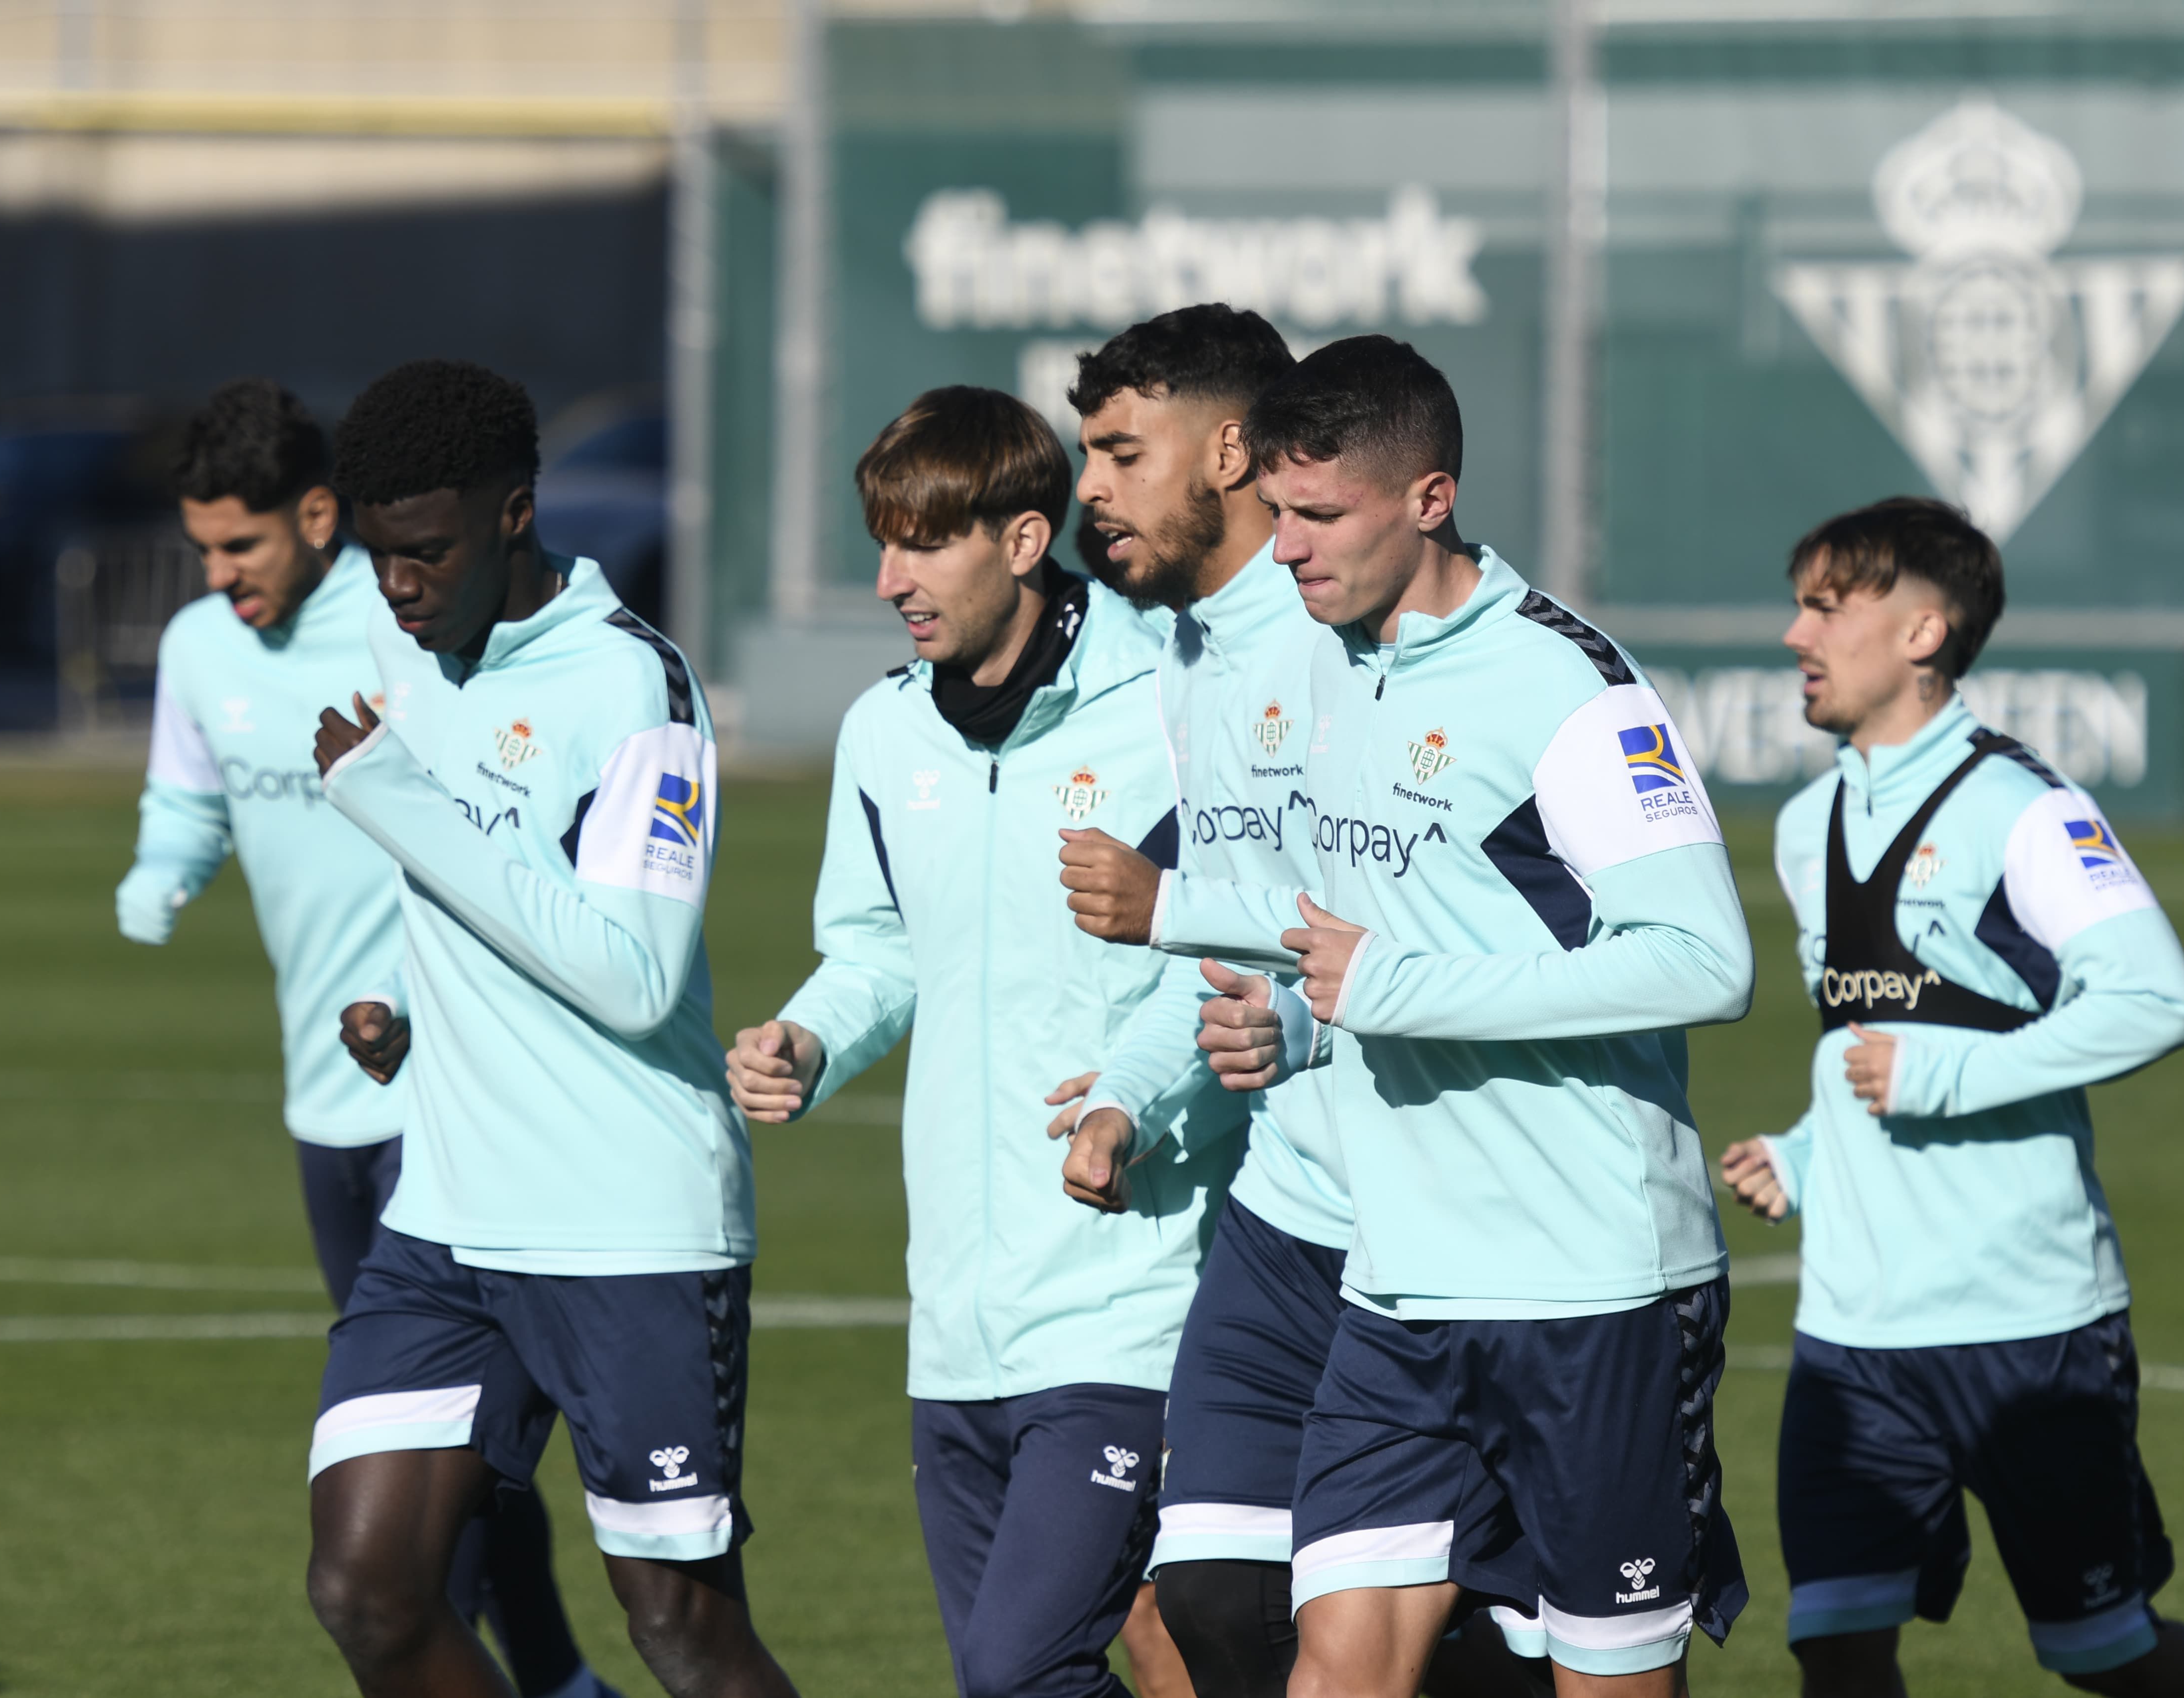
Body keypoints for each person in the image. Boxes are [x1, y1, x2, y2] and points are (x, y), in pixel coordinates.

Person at [1191, 336, 1755, 1697]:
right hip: (1397, 1289)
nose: (1285, 552)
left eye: (1320, 517)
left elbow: (1703, 960)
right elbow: (1397, 941)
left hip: (1594, 1287)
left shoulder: (1569, 685)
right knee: (1331, 1673)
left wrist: (1392, 989)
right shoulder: (1329, 661)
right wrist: (1306, 1025)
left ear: (1430, 498)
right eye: (1276, 514)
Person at [1052, 306, 1552, 1698]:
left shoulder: (1349, 627)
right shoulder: (1198, 648)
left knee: (1432, 1632)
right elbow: (1233, 939)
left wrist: (1301, 1010)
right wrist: (1127, 1095)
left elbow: (1405, 915)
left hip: (1431, 1209)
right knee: (1208, 1596)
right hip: (1288, 1204)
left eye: (1117, 450)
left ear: (1226, 450)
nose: (1089, 482)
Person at [722, 386, 1241, 1698]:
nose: (890, 576)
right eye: (882, 540)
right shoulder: (886, 730)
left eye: (921, 542)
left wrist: (1133, 1107)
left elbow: (1236, 958)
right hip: (952, 1310)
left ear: (1022, 538)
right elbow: (881, 947)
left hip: (1129, 1294)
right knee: (1025, 1678)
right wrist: (807, 1035)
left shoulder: (1177, 705)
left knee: (1020, 1671)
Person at [303, 359, 791, 1698]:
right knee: (368, 1583)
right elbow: (488, 893)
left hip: (622, 1224)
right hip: (449, 1218)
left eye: (423, 553)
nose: (395, 586)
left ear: (514, 513)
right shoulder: (413, 657)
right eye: (375, 554)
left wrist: (395, 802)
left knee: (685, 1631)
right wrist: (402, 1006)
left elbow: (634, 972)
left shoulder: (637, 688)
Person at [115, 377, 610, 1698]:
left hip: (441, 1091)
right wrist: (161, 872)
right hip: (321, 1104)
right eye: (202, 548)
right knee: (431, 1448)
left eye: (243, 545)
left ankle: (538, 1673)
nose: (220, 576)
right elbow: (185, 799)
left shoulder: (405, 627)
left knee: (429, 1475)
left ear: (319, 512)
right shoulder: (198, 650)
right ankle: (557, 1679)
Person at [1713, 498, 2184, 1698]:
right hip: (1853, 1339)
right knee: (1838, 1650)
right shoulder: (1808, 826)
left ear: (1922, 632)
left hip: (2029, 1329)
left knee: (2105, 1654)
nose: (1794, 635)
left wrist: (1947, 1075)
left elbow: (2153, 1000)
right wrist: (1806, 1154)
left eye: (1824, 607)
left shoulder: (2025, 810)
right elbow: (1865, 1038)